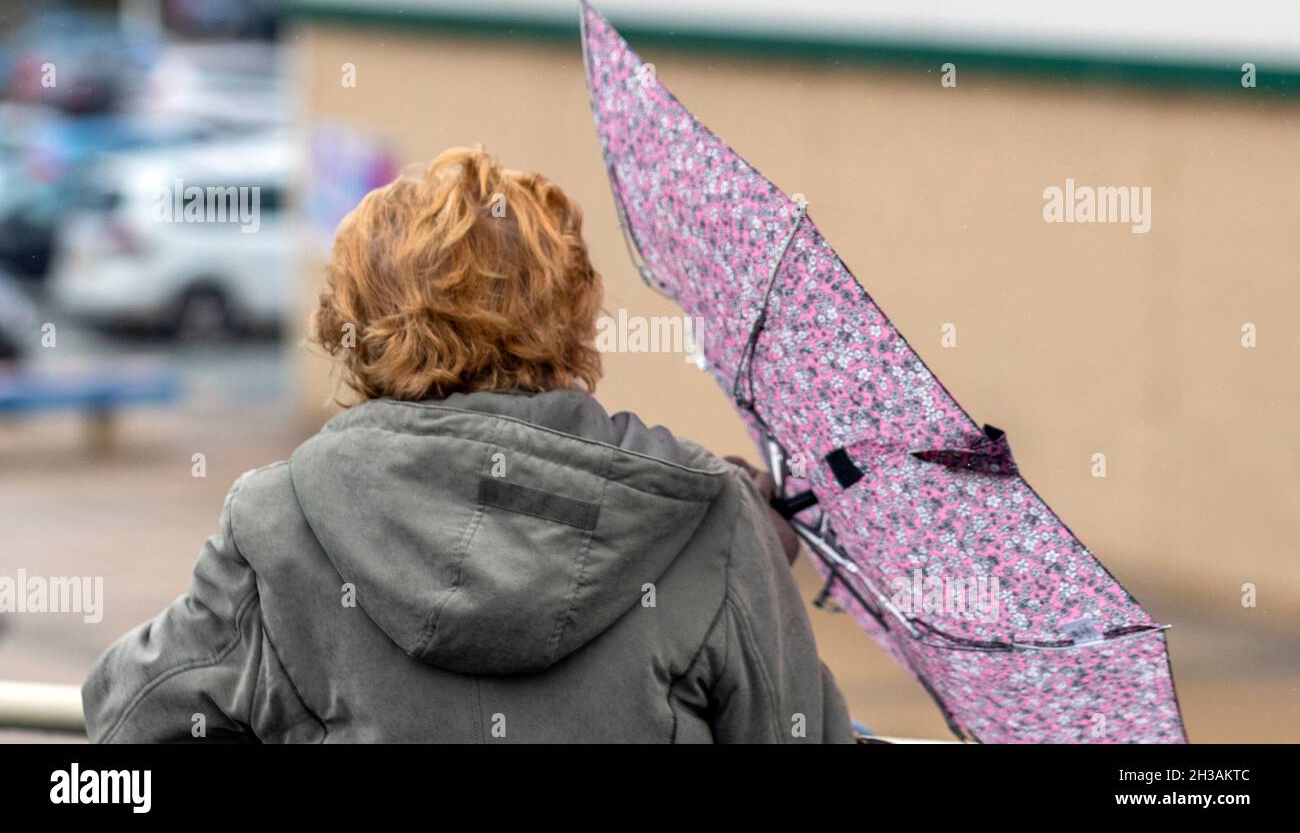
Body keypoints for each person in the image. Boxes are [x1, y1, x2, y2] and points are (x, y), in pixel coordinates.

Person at [81, 147, 853, 743]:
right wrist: (743, 553)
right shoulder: (705, 515)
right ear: (574, 309)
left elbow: (127, 715)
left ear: (357, 321)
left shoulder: (280, 520)